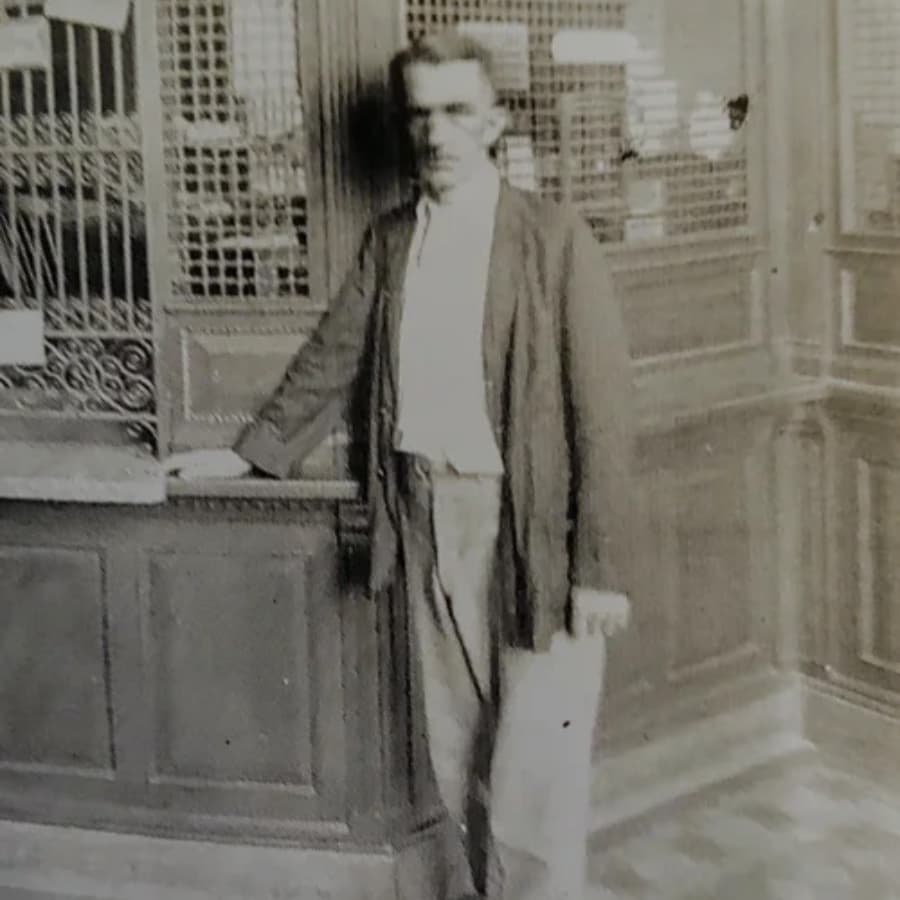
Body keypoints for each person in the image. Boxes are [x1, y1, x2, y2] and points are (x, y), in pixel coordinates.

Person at [166, 29, 636, 900]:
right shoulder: (391, 239)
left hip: (529, 531)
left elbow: (602, 412)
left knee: (538, 767)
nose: (436, 133)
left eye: (458, 112)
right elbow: (333, 354)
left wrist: (598, 570)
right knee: (454, 750)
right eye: (421, 115)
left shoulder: (555, 239)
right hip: (420, 517)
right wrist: (251, 456)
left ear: (496, 123)